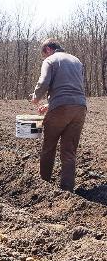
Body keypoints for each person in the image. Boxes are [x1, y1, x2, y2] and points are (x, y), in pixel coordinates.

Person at [31, 38, 86, 192]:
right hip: (80, 108)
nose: (44, 57)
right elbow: (73, 88)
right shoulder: (76, 60)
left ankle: (44, 185)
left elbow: (43, 82)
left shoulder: (50, 60)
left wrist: (36, 97)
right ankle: (67, 189)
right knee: (69, 151)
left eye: (44, 54)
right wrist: (50, 104)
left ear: (48, 49)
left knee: (49, 147)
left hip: (61, 108)